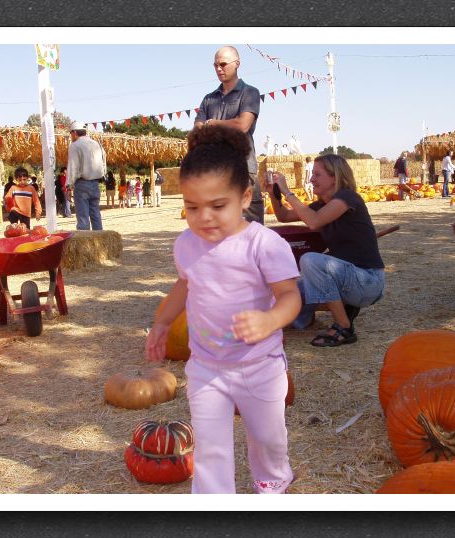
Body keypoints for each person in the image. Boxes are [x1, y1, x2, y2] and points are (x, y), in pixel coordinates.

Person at [146, 124, 301, 494]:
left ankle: (273, 483)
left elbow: (290, 297)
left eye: (218, 206)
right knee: (211, 449)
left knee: (268, 440)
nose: (205, 217)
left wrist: (270, 319)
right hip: (206, 368)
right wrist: (162, 323)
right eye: (192, 207)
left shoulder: (264, 245)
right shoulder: (186, 245)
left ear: (245, 197)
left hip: (260, 365)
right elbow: (185, 285)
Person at [268, 154, 385, 347]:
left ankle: (344, 326)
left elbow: (313, 222)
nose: (311, 179)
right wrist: (274, 194)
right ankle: (308, 317)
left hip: (368, 281)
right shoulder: (321, 205)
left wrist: (288, 192)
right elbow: (283, 216)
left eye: (317, 174)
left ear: (334, 178)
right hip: (347, 278)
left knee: (310, 260)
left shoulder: (348, 198)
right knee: (284, 299)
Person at [194, 45, 264, 224]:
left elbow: (243, 125)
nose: (218, 69)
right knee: (220, 227)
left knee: (252, 227)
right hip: (215, 171)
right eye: (215, 65)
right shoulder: (208, 98)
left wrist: (214, 123)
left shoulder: (250, 92)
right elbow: (197, 131)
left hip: (243, 168)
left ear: (237, 64)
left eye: (223, 64)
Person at [67, 121, 106, 230]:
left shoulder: (74, 146)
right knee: (96, 215)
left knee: (83, 218)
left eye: (71, 134)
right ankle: (99, 242)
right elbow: (104, 162)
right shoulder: (96, 144)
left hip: (82, 183)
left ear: (74, 133)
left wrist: (69, 186)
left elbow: (72, 167)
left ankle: (85, 245)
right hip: (95, 183)